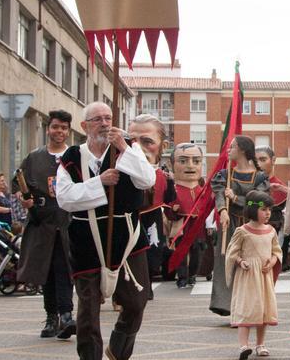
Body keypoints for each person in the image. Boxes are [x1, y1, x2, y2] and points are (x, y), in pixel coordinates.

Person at [56, 102, 157, 360]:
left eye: (108, 118)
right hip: (86, 239)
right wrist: (99, 183)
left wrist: (124, 148)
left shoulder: (127, 150)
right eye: (97, 119)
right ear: (84, 126)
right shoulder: (71, 157)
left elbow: (147, 180)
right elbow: (65, 199)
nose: (104, 123)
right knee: (88, 310)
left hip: (126, 237)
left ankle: (118, 349)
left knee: (136, 301)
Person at [15, 110, 76, 339]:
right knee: (47, 271)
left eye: (63, 128)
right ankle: (52, 318)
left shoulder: (74, 156)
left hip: (67, 221)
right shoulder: (34, 158)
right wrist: (24, 199)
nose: (59, 131)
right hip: (42, 221)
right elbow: (18, 187)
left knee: (65, 269)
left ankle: (67, 315)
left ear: (68, 131)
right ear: (48, 129)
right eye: (55, 127)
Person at [211, 135, 270, 317]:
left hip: (250, 227)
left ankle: (251, 307)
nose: (229, 150)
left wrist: (236, 198)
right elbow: (219, 193)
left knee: (251, 265)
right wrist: (222, 211)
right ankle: (228, 304)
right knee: (228, 263)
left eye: (233, 147)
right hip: (230, 225)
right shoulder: (225, 174)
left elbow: (259, 204)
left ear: (242, 150)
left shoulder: (260, 178)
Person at [226, 190, 281, 360]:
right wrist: (240, 261)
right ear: (252, 210)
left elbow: (276, 251)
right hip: (248, 276)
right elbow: (232, 252)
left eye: (269, 210)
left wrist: (272, 262)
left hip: (264, 276)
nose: (268, 213)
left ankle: (260, 344)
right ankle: (244, 345)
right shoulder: (242, 231)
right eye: (264, 209)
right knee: (247, 309)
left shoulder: (271, 230)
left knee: (263, 310)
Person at [129, 114, 177, 290]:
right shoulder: (117, 173)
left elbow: (171, 204)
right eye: (132, 141)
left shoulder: (164, 178)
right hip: (128, 222)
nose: (139, 148)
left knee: (151, 257)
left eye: (147, 141)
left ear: (162, 146)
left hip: (152, 222)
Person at [166, 143, 209, 289]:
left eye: (196, 161)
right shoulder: (172, 189)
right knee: (181, 253)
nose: (190, 166)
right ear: (172, 164)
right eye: (183, 161)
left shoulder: (204, 190)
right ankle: (182, 277)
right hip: (181, 226)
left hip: (198, 226)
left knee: (197, 252)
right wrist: (173, 210)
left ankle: (192, 275)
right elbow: (167, 209)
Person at [256, 146, 288, 235]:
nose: (258, 164)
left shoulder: (281, 188)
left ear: (273, 160)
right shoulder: (247, 185)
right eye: (255, 161)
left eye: (262, 160)